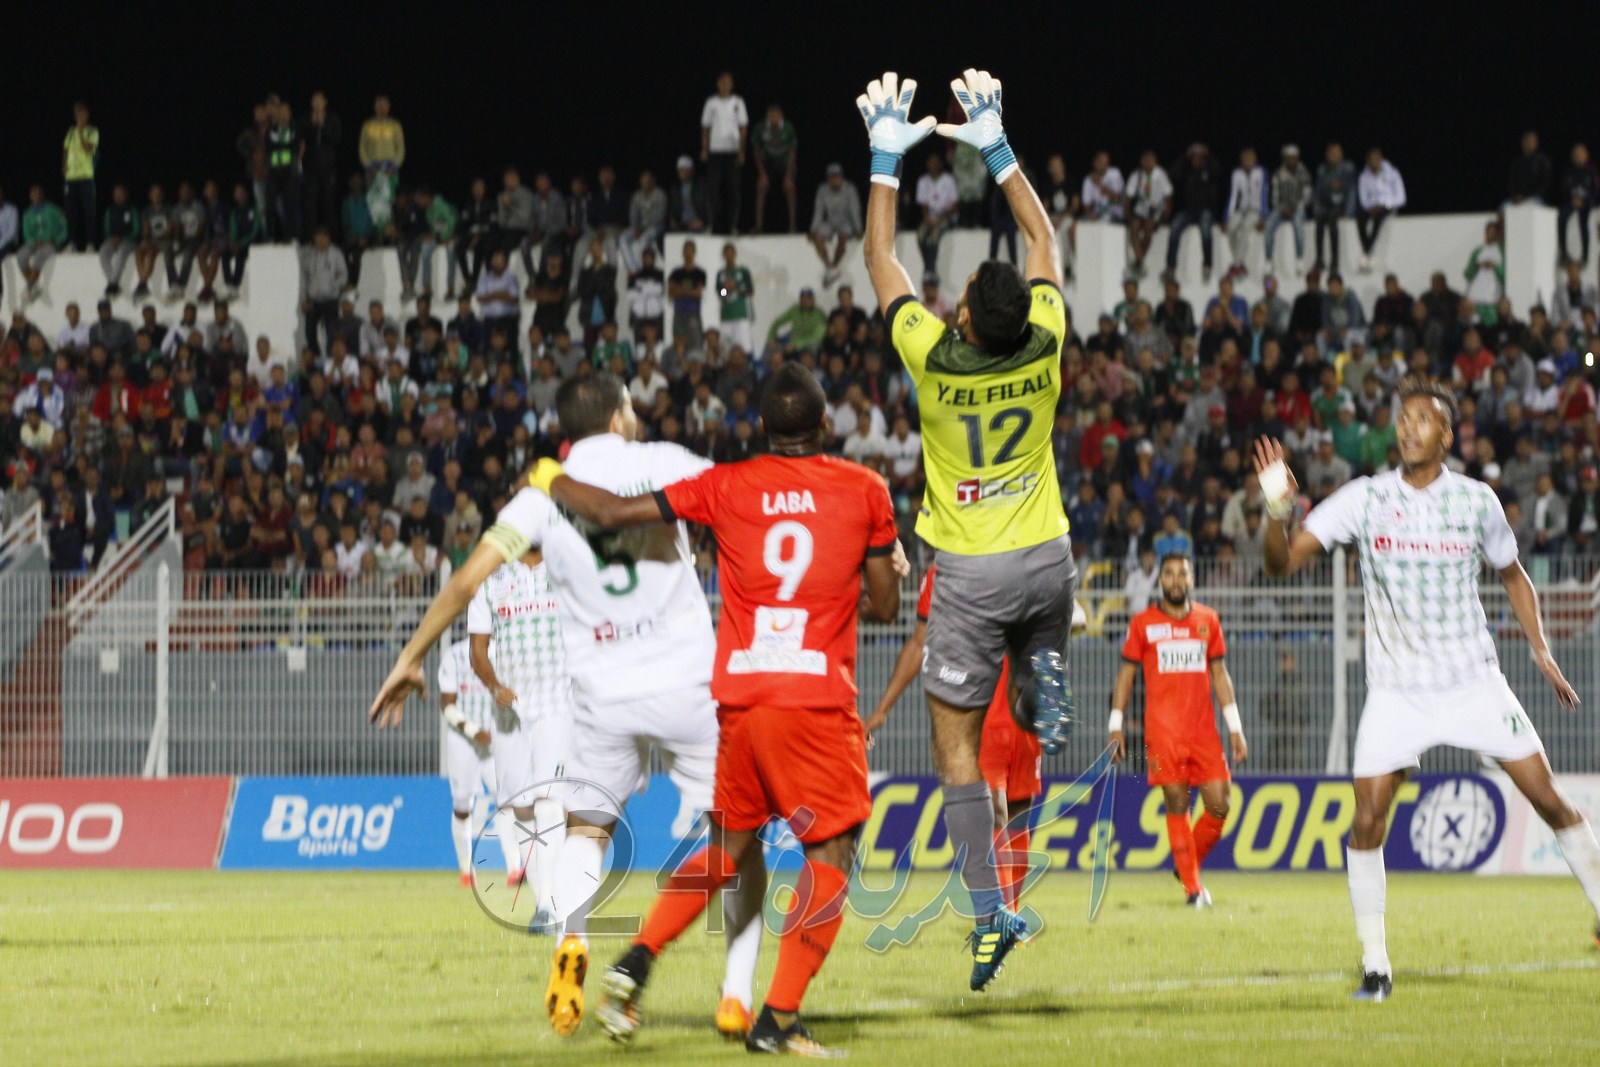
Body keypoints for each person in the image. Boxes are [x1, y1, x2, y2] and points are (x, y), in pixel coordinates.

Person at [369, 373, 767, 1040]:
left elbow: (467, 580)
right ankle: (736, 994)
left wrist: (412, 654)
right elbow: (746, 505)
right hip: (688, 684)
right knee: (739, 837)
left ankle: (572, 938)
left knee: (586, 831)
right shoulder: (665, 460)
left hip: (602, 696)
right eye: (631, 406)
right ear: (618, 416)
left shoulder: (538, 495)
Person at [536, 364, 903, 1056]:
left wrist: (548, 478)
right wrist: (878, 564)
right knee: (830, 850)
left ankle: (636, 958)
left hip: (739, 695)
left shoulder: (727, 484)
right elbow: (885, 605)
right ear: (827, 424)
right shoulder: (864, 488)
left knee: (729, 846)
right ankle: (777, 1018)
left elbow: (611, 512)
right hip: (814, 696)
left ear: (762, 427)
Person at [1255, 377, 1600, 1002]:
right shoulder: (1366, 498)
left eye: (1423, 418)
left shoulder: (1475, 501)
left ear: (1446, 434)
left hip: (1473, 681)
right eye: (1402, 417)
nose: (1408, 426)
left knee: (1550, 800)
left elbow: (1513, 575)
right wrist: (1277, 511)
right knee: (1367, 819)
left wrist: (1542, 649)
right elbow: (1280, 564)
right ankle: (1376, 966)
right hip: (1397, 691)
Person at [859, 68, 1074, 991]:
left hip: (972, 573)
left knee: (955, 749)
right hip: (1050, 560)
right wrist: (995, 142)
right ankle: (1039, 679)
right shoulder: (1049, 337)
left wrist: (885, 158)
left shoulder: (934, 359)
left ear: (965, 321)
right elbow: (1043, 237)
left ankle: (988, 912)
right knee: (1031, 667)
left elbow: (880, 259)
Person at [868, 565, 1061, 913]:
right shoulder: (939, 576)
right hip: (978, 715)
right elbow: (919, 643)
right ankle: (998, 916)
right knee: (994, 813)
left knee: (1018, 818)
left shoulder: (1025, 560)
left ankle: (1011, 914)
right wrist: (882, 709)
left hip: (1021, 714)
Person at [1108, 554, 1245, 906]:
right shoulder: (1143, 624)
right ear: (1160, 582)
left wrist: (1235, 727)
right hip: (1163, 733)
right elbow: (1126, 676)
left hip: (1203, 732)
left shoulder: (1207, 620)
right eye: (1168, 574)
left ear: (1191, 579)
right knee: (1177, 801)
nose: (1175, 580)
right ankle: (1193, 888)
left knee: (1220, 803)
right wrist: (1115, 725)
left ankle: (1186, 864)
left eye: (1182, 573)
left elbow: (1220, 675)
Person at [465, 547, 573, 919]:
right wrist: (495, 686)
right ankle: (544, 895)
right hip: (509, 709)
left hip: (557, 701)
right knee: (521, 807)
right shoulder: (490, 579)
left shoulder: (564, 568)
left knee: (548, 799)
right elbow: (478, 651)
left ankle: (548, 904)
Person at [437, 638, 525, 888]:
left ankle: (514, 869)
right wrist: (473, 731)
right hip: (463, 738)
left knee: (505, 800)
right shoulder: (455, 655)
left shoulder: (504, 653)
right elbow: (447, 705)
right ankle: (466, 871)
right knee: (462, 804)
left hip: (494, 735)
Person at [700, 72, 749, 235]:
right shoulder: (711, 102)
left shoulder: (738, 102)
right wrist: (704, 149)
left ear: (732, 84)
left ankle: (733, 226)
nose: (725, 84)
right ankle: (711, 224)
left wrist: (742, 151)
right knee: (713, 190)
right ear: (718, 84)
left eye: (728, 82)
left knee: (733, 191)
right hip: (715, 151)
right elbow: (705, 127)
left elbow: (743, 128)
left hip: (732, 151)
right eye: (722, 82)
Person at [810, 163, 863, 287]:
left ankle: (832, 268)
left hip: (846, 221)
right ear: (828, 178)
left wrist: (858, 228)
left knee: (843, 237)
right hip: (830, 221)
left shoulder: (849, 188)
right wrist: (813, 230)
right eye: (832, 177)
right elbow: (818, 211)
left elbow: (855, 209)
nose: (835, 180)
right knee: (818, 236)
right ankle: (831, 268)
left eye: (837, 176)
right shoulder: (823, 190)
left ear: (841, 177)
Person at [298, 92, 342, 240]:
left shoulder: (332, 119)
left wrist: (322, 125)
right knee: (309, 205)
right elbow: (301, 140)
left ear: (325, 102)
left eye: (320, 101)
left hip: (327, 168)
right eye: (314, 101)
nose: (317, 104)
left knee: (328, 204)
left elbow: (336, 139)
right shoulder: (305, 119)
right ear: (311, 103)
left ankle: (332, 238)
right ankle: (309, 238)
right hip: (310, 169)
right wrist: (312, 125)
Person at [1355, 148, 1405, 272]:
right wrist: (1371, 206)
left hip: (1389, 207)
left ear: (1381, 159)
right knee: (1360, 217)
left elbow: (1401, 197)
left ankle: (1368, 251)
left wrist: (1385, 204)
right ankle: (1367, 250)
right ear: (1367, 160)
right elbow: (1363, 198)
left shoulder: (1392, 173)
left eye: (1377, 158)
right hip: (1372, 207)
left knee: (1378, 218)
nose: (1375, 161)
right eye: (1372, 159)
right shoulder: (1364, 176)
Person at [751, 102, 798, 233]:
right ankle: (759, 226)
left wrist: (788, 176)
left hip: (785, 162)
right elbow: (756, 151)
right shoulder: (761, 128)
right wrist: (762, 174)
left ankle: (792, 226)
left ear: (781, 116)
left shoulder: (788, 127)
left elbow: (792, 152)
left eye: (776, 116)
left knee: (790, 187)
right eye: (771, 116)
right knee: (761, 186)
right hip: (767, 163)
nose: (774, 119)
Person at [1266, 144, 1312, 272]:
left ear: (1297, 158)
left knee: (1298, 223)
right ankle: (1269, 260)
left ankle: (1299, 259)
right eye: (1288, 158)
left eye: (1293, 157)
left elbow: (1307, 196)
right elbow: (1274, 197)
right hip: (1281, 208)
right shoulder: (1278, 174)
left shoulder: (1304, 173)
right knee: (1269, 224)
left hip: (1298, 208)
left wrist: (1295, 208)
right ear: (1284, 158)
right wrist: (1282, 208)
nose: (1291, 160)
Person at [19, 185, 67, 303]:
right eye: (33, 194)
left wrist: (55, 240)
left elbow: (64, 228)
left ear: (43, 195)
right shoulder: (27, 213)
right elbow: (26, 233)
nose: (36, 196)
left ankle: (29, 287)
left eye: (38, 193)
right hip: (35, 243)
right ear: (30, 196)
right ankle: (34, 286)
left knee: (40, 255)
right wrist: (34, 242)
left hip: (51, 243)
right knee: (21, 256)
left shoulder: (53, 209)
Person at [1225, 146, 1267, 279]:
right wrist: (1227, 216)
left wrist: (1263, 217)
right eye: (1245, 158)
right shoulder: (1237, 174)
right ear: (1241, 160)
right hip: (1241, 209)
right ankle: (1240, 264)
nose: (1248, 161)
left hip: (1255, 210)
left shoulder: (1260, 172)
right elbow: (1233, 196)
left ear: (1255, 159)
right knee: (1231, 228)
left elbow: (1264, 194)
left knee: (1245, 229)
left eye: (1251, 158)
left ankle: (1236, 265)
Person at [1313, 142, 1356, 273]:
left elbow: (1351, 191)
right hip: (1327, 204)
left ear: (1341, 154)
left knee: (1332, 222)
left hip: (1341, 205)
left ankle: (1335, 261)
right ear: (1327, 155)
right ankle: (1320, 259)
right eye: (1331, 153)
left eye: (1336, 153)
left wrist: (1348, 212)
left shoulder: (1348, 168)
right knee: (1319, 220)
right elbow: (1318, 192)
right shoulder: (1322, 169)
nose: (1334, 156)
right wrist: (1317, 209)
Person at [62, 101, 100, 251]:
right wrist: (63, 165)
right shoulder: (70, 132)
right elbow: (66, 149)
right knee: (71, 212)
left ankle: (90, 243)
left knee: (88, 211)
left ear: (87, 115)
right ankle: (72, 243)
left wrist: (81, 132)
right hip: (71, 177)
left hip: (86, 176)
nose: (79, 116)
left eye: (82, 113)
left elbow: (88, 147)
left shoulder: (92, 131)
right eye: (77, 114)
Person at [715, 242, 755, 356]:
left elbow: (750, 292)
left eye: (731, 253)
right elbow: (720, 294)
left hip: (741, 314)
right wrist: (726, 289)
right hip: (726, 316)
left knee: (744, 347)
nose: (729, 256)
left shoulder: (743, 271)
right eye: (726, 253)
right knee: (726, 348)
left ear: (735, 254)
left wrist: (736, 288)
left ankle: (747, 364)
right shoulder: (721, 274)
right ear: (723, 255)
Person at [99, 184, 139, 296]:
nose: (118, 196)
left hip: (129, 241)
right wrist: (111, 238)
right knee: (103, 252)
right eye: (116, 194)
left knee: (122, 252)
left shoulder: (132, 210)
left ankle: (112, 283)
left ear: (126, 195)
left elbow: (136, 230)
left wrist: (123, 238)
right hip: (112, 240)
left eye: (120, 194)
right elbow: (106, 229)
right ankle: (113, 283)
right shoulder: (110, 210)